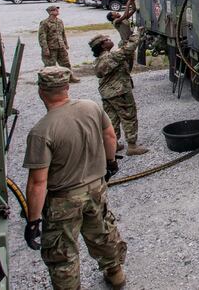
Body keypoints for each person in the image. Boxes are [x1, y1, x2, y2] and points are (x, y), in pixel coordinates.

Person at [23, 66, 127, 289]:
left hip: (63, 199)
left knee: (62, 253)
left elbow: (38, 182)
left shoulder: (41, 132)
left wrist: (33, 221)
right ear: (67, 86)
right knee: (103, 233)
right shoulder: (90, 107)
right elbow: (110, 135)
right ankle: (116, 273)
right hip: (97, 188)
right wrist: (111, 163)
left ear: (41, 91)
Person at [90, 28, 150, 155]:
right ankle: (132, 146)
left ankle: (113, 145)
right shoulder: (111, 57)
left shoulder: (99, 60)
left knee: (112, 120)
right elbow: (129, 49)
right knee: (129, 117)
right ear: (102, 45)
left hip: (107, 94)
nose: (109, 40)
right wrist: (137, 33)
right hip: (119, 92)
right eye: (106, 40)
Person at [38, 5, 80, 83]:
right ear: (50, 12)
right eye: (55, 10)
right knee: (50, 66)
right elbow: (42, 37)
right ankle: (48, 80)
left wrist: (65, 44)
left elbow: (63, 34)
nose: (57, 11)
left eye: (57, 10)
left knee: (66, 63)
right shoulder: (45, 23)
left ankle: (70, 77)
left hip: (61, 46)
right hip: (51, 47)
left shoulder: (60, 21)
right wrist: (45, 49)